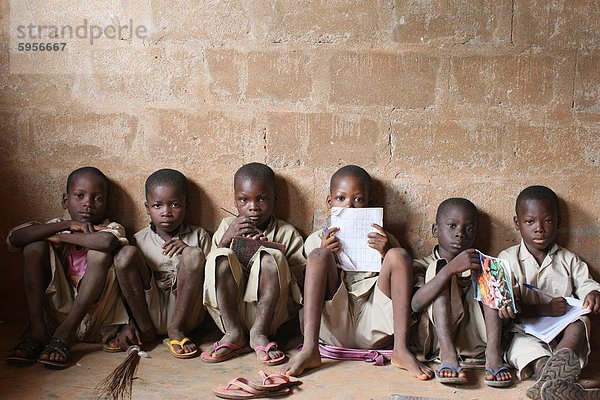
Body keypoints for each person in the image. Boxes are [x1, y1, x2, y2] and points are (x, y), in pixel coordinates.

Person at [283, 165, 433, 380]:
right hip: (334, 323)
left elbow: (394, 278)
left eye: (359, 199)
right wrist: (328, 253)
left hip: (375, 321)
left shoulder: (383, 238)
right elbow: (312, 278)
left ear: (368, 204)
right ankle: (310, 349)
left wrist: (385, 252)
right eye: (341, 198)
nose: (350, 206)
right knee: (318, 256)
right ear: (329, 201)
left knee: (399, 255)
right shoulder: (318, 240)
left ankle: (401, 349)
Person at [5, 167, 129, 368]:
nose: (88, 203)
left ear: (106, 205)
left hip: (97, 319)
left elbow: (107, 242)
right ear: (65, 200)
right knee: (34, 247)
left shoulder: (110, 228)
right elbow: (14, 238)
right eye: (79, 196)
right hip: (56, 316)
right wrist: (64, 226)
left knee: (99, 252)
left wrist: (61, 237)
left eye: (97, 198)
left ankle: (65, 333)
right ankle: (38, 332)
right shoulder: (56, 224)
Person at [498, 186, 600, 398]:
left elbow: (586, 283)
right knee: (527, 351)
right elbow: (508, 304)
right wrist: (544, 309)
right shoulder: (507, 260)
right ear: (517, 223)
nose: (539, 229)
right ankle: (554, 380)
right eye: (530, 222)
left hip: (563, 334)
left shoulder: (569, 260)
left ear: (558, 222)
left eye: (547, 221)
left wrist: (592, 294)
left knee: (580, 322)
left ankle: (554, 375)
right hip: (525, 332)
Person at [201, 162, 306, 366]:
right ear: (235, 202)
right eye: (244, 200)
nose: (253, 207)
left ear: (275, 199)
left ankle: (259, 333)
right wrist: (226, 240)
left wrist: (271, 251)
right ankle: (233, 333)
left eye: (262, 199)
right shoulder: (226, 226)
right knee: (220, 256)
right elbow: (209, 274)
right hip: (230, 311)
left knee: (271, 257)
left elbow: (299, 284)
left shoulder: (288, 233)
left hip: (272, 313)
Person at [411, 198, 512, 386]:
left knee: (488, 269)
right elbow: (415, 304)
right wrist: (450, 270)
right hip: (438, 344)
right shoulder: (422, 266)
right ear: (435, 230)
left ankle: (494, 354)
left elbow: (503, 310)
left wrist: (507, 306)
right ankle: (448, 355)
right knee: (439, 268)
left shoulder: (480, 266)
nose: (460, 234)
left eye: (469, 228)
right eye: (452, 226)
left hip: (478, 343)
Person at [112, 168, 211, 358]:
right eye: (157, 206)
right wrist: (128, 323)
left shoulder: (199, 236)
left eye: (175, 205)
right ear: (147, 207)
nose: (166, 212)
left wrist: (187, 251)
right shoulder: (139, 239)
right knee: (125, 254)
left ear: (186, 205)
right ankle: (145, 329)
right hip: (149, 313)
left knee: (193, 254)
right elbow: (126, 286)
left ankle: (176, 330)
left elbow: (211, 281)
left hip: (187, 315)